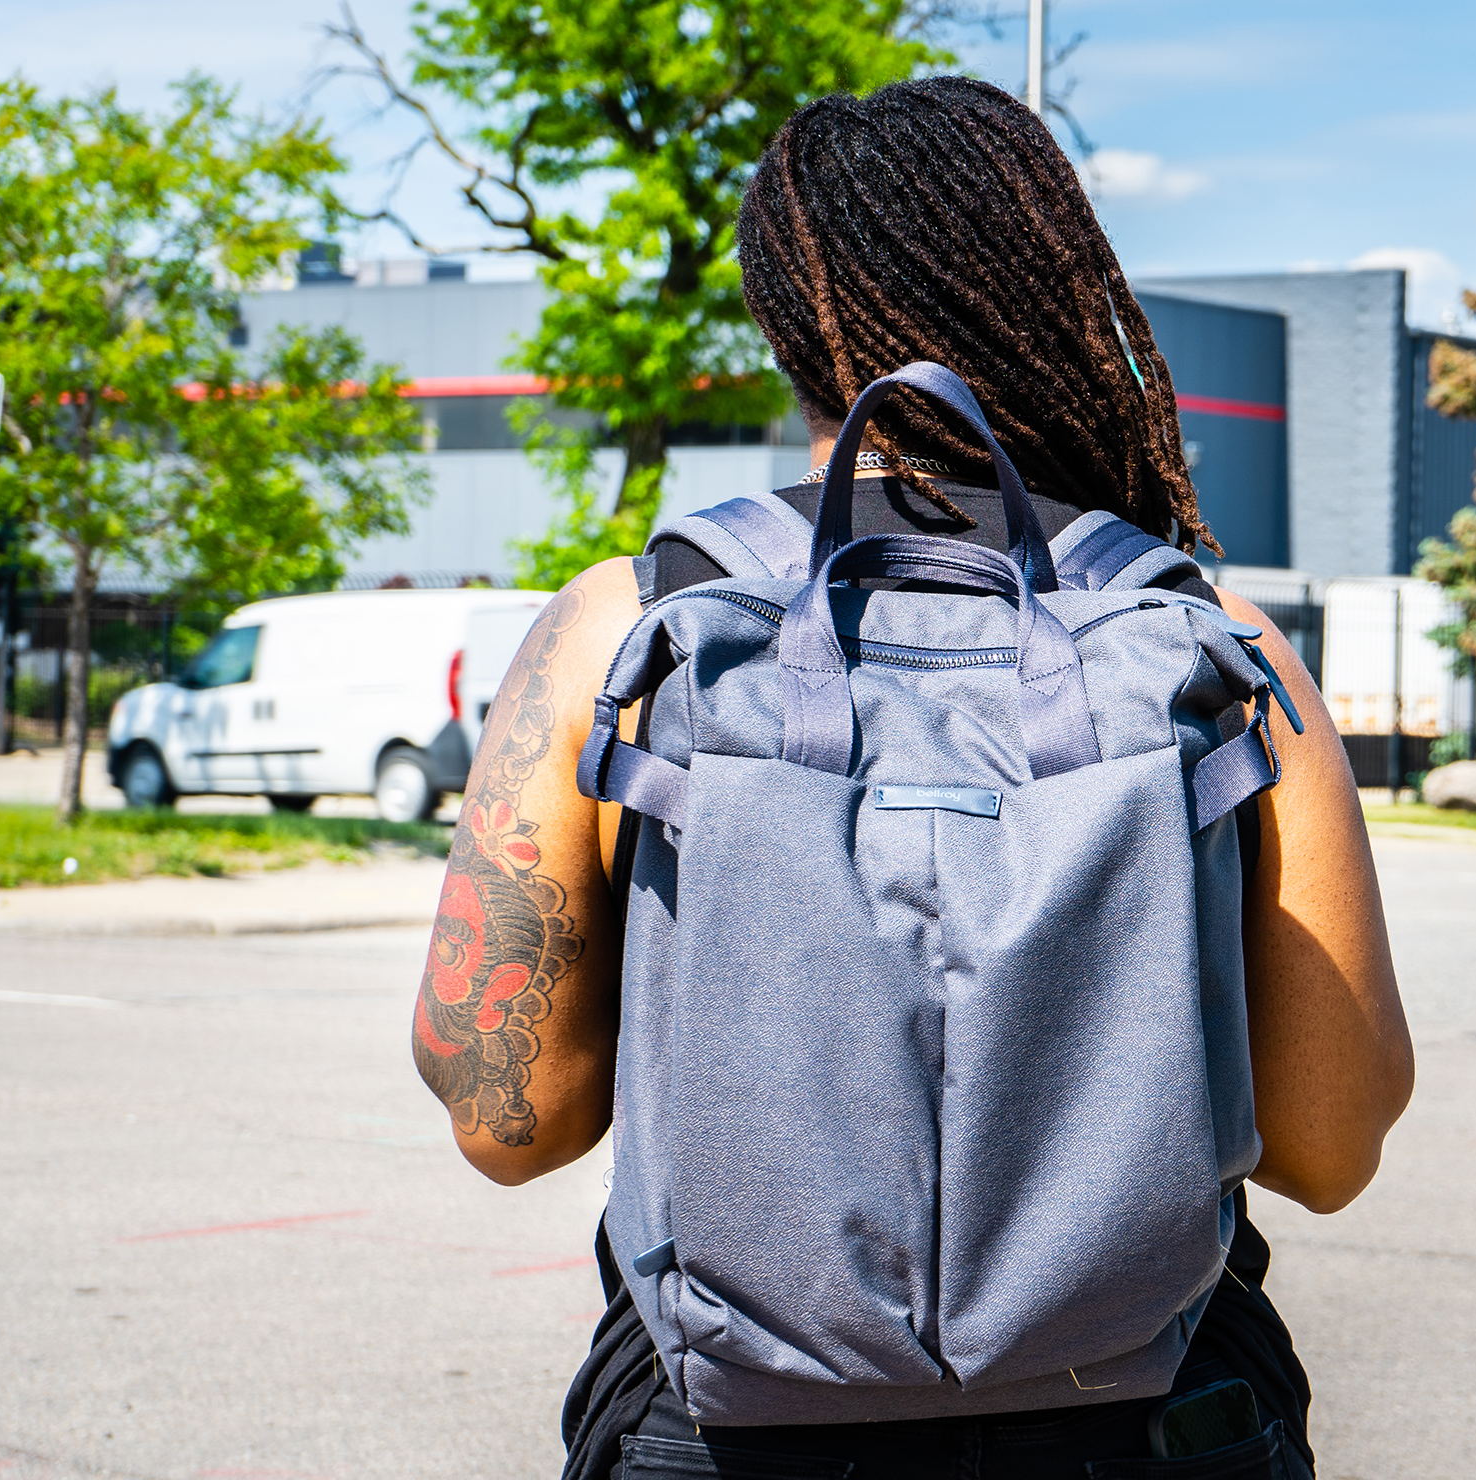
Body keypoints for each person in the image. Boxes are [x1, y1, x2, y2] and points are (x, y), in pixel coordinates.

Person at [412, 75, 1413, 1480]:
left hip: (725, 1434)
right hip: (1144, 1428)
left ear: (779, 325)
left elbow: (507, 1121)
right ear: (1056, 298)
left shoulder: (625, 626)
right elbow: (1331, 1147)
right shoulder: (1213, 643)